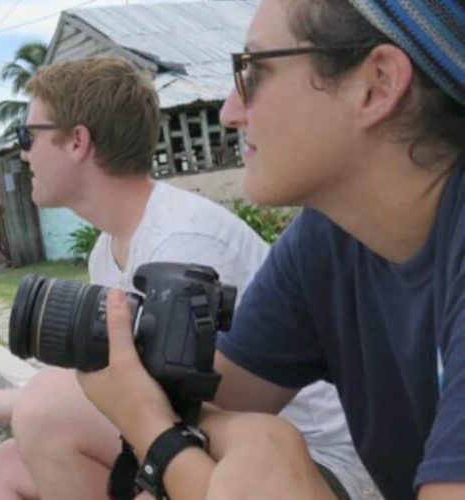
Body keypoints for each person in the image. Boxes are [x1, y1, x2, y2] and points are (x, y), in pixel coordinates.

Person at [0, 57, 380, 499]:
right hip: (200, 435)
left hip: (303, 465)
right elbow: (118, 390)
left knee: (43, 418)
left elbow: (165, 403)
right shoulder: (110, 249)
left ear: (77, 141)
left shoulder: (182, 247)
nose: (23, 155)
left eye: (27, 137)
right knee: (4, 469)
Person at [70, 0, 465, 498]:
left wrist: (156, 432)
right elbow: (218, 395)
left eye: (253, 72)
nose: (229, 111)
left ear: (378, 84)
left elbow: (184, 427)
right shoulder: (330, 240)